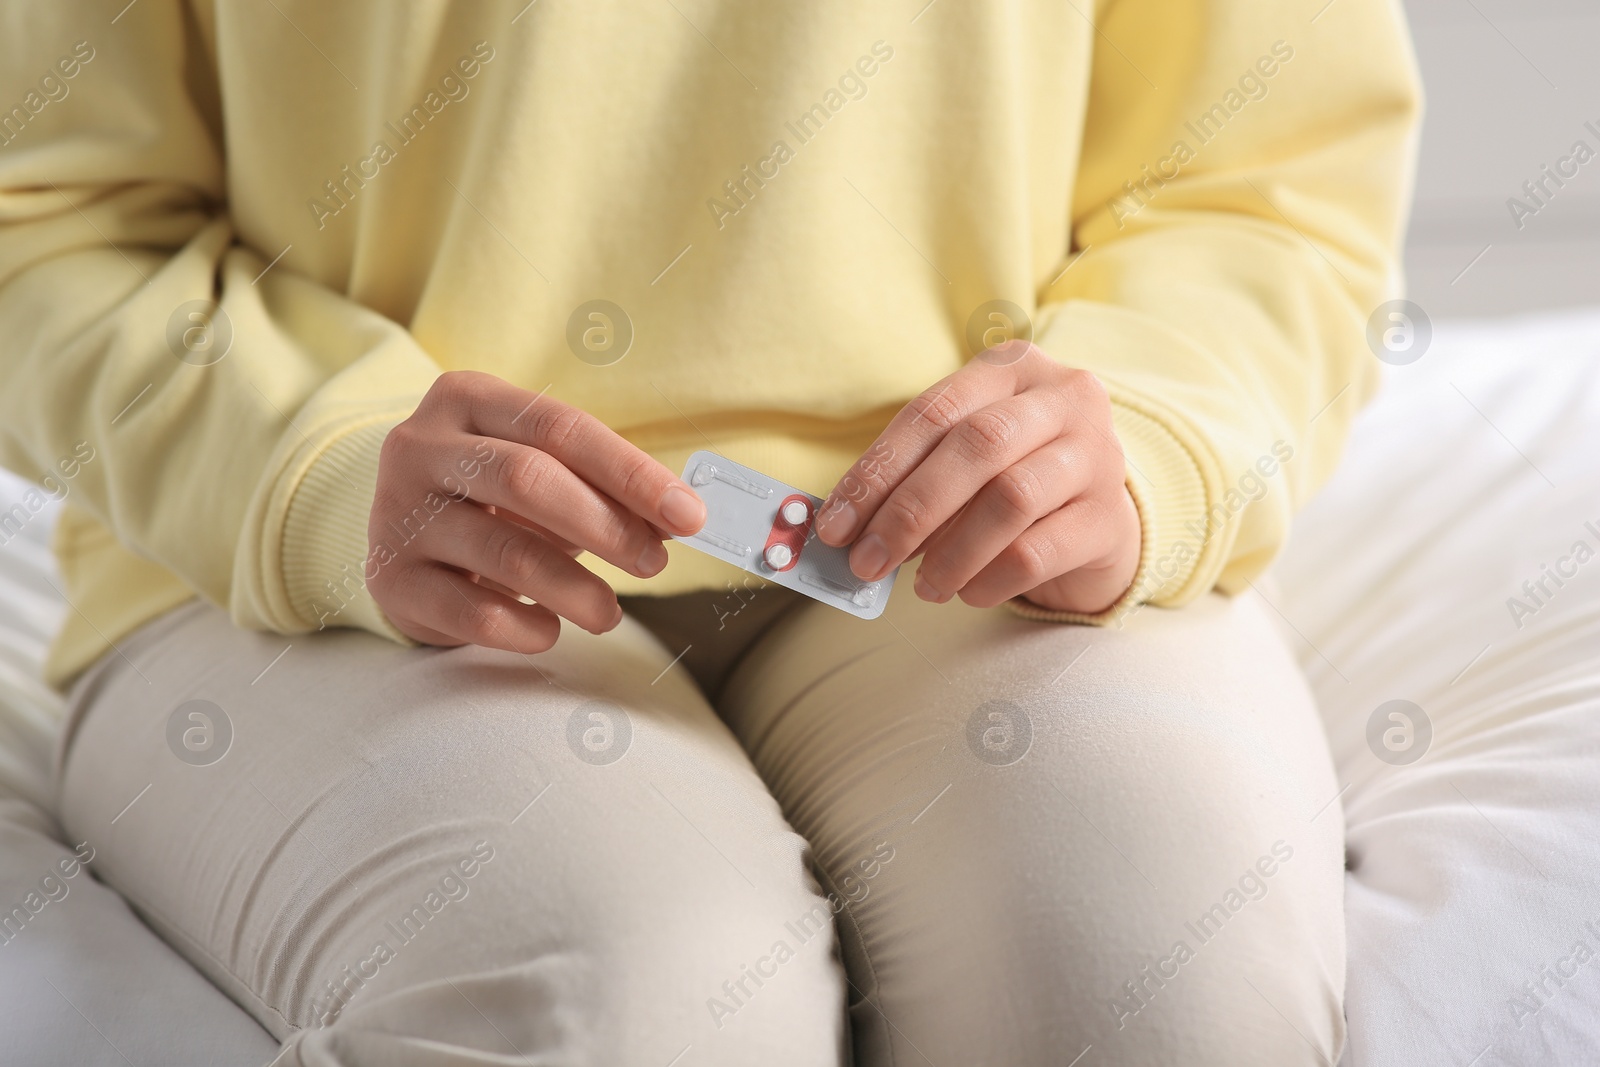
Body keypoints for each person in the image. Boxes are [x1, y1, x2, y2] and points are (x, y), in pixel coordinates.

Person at [0, 1, 1419, 1063]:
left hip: (979, 543)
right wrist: (304, 460)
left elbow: (1267, 173)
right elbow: (45, 211)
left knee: (1160, 970)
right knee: (619, 1007)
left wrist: (1148, 424)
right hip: (326, 561)